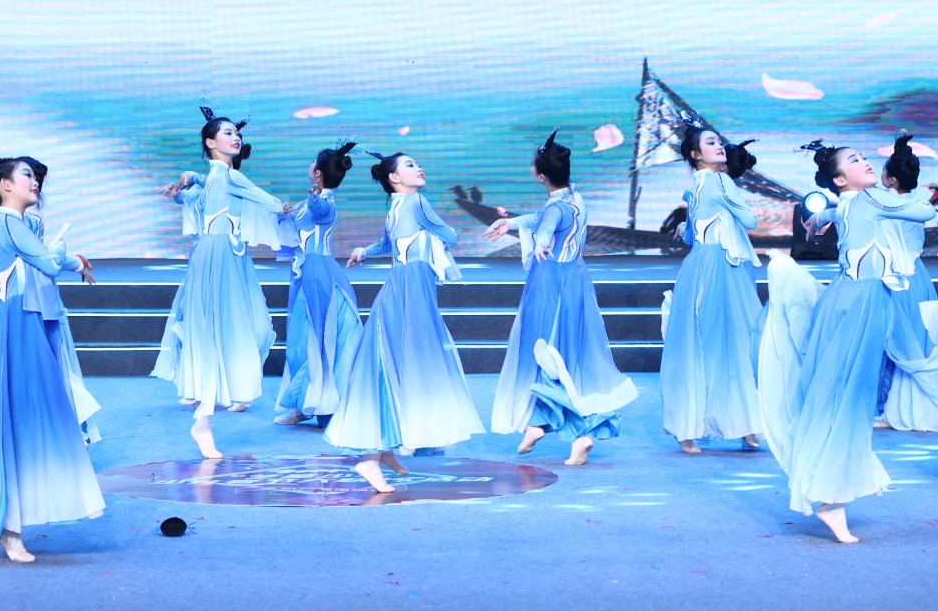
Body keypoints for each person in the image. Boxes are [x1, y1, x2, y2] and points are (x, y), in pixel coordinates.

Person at [759, 142, 938, 543]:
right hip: (860, 303)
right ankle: (830, 496)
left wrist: (821, 216)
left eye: (863, 157)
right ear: (839, 179)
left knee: (843, 396)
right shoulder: (869, 200)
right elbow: (925, 212)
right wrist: (892, 195)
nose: (864, 162)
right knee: (845, 399)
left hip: (855, 299)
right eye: (854, 161)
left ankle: (831, 488)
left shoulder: (851, 203)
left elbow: (836, 212)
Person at [324, 152, 485, 493]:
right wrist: (441, 233)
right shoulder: (417, 203)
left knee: (395, 368)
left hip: (404, 292)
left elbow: (389, 242)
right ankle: (369, 458)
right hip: (409, 295)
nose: (419, 168)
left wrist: (364, 251)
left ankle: (383, 448)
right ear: (394, 178)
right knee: (404, 368)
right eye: (410, 165)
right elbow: (452, 236)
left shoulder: (396, 207)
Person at [0, 155, 103, 562]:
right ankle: (7, 526)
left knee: (28, 415)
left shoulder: (15, 223)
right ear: (5, 185)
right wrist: (66, 254)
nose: (35, 181)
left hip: (25, 320)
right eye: (26, 175)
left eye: (35, 176)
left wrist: (68, 258)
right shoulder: (9, 222)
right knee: (19, 417)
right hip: (18, 323)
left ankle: (8, 522)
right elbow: (47, 263)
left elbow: (44, 262)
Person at [485, 131, 636, 466]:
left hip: (550, 282)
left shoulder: (556, 208)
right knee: (571, 354)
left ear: (541, 176)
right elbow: (544, 218)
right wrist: (511, 223)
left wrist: (540, 242)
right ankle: (574, 431)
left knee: (544, 351)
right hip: (576, 280)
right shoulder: (575, 198)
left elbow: (546, 225)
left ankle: (540, 422)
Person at [154, 107, 289, 459]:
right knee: (222, 332)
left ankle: (214, 405)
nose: (236, 137)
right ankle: (203, 419)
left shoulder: (216, 178)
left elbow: (199, 189)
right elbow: (270, 203)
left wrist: (186, 181)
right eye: (227, 133)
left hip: (224, 254)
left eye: (236, 133)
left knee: (235, 330)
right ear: (210, 143)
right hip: (220, 256)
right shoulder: (228, 178)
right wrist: (286, 208)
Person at [660, 116, 765, 453]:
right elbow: (749, 220)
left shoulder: (694, 187)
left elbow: (691, 236)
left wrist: (684, 228)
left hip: (698, 267)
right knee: (738, 340)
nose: (719, 146)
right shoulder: (721, 182)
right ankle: (744, 423)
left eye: (719, 141)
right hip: (721, 267)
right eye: (710, 143)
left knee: (698, 345)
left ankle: (691, 427)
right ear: (696, 154)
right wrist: (734, 196)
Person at [274, 142, 363, 427]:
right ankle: (305, 403)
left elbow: (321, 210)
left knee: (317, 337)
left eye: (314, 162)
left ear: (318, 174)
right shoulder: (307, 202)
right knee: (300, 339)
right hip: (305, 272)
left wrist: (313, 199)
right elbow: (295, 222)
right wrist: (281, 211)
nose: (310, 164)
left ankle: (322, 404)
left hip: (318, 274)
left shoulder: (325, 202)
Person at [876, 134, 938, 432]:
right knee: (915, 341)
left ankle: (892, 408)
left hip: (895, 276)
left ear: (892, 179)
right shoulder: (918, 203)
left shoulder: (884, 204)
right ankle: (895, 405)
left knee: (896, 342)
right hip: (917, 275)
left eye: (883, 170)